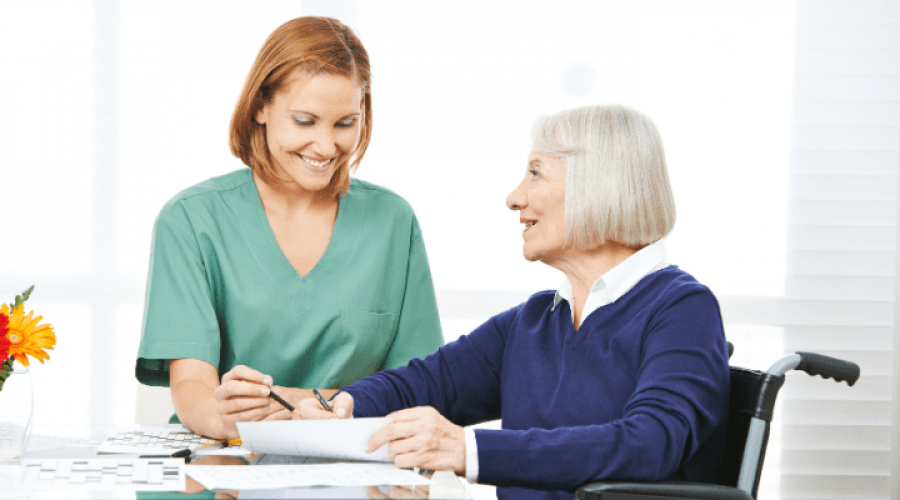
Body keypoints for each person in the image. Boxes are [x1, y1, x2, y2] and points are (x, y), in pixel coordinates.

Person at [299, 105, 731, 500]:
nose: (514, 198)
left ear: (597, 183)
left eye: (536, 174)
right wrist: (344, 406)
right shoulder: (534, 321)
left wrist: (466, 449)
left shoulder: (682, 309)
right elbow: (426, 383)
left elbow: (650, 443)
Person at [135, 17, 444, 440]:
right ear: (260, 106)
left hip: (356, 468)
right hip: (225, 461)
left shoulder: (393, 222)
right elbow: (192, 387)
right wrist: (221, 416)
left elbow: (420, 389)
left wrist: (285, 399)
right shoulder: (190, 220)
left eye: (345, 123)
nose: (325, 146)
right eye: (304, 121)